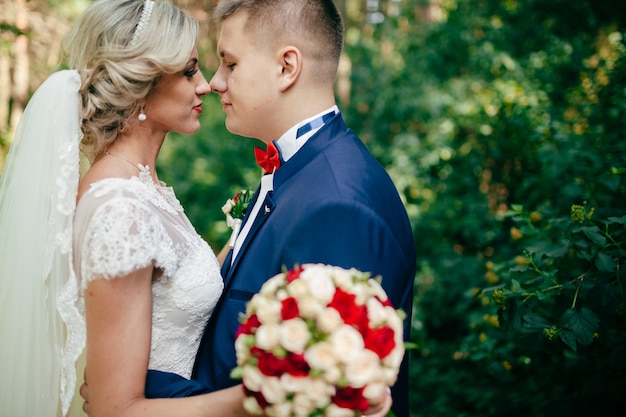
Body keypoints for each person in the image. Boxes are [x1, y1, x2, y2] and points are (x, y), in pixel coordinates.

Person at [144, 1, 417, 417]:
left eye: (230, 63)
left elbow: (320, 398)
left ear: (287, 67)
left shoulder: (338, 207)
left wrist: (143, 395)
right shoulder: (300, 172)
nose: (215, 83)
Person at [0, 1, 246, 416]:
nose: (204, 85)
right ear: (141, 83)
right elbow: (117, 409)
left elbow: (175, 292)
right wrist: (262, 397)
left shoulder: (141, 187)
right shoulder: (121, 209)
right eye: (188, 71)